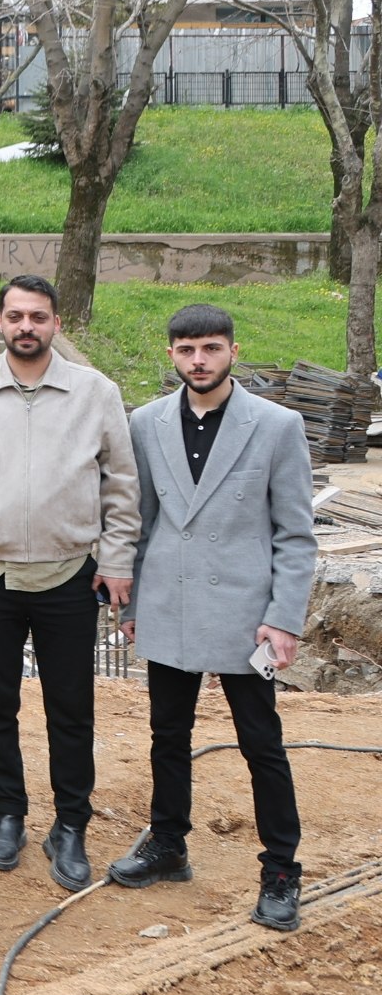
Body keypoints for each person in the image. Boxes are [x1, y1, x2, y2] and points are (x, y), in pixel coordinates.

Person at [108, 305, 317, 933]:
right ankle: (168, 842)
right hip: (169, 605)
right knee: (167, 736)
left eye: (211, 348)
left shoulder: (277, 426)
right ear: (171, 355)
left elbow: (295, 534)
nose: (199, 360)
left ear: (233, 352)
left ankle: (281, 868)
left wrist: (284, 619)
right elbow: (140, 520)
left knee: (262, 743)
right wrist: (135, 606)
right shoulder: (145, 424)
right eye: (187, 349)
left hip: (244, 613)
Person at [0, 273, 139, 889]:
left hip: (70, 575)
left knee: (70, 707)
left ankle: (70, 824)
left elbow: (122, 488)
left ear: (55, 323)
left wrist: (117, 558)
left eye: (39, 317)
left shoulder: (95, 393)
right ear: (0, 322)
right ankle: (9, 813)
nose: (27, 327)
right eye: (16, 316)